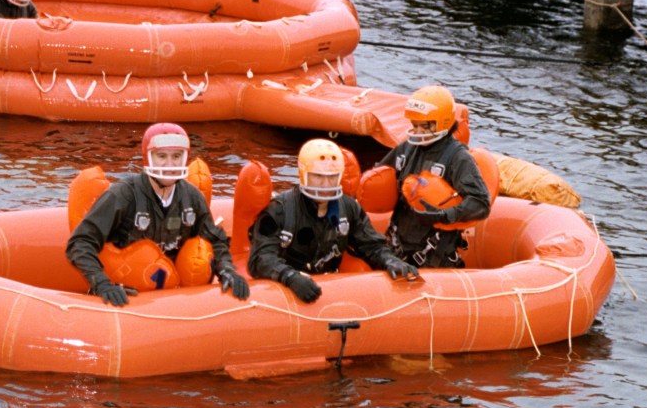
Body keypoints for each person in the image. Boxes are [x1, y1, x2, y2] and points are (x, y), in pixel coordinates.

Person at [67, 123, 249, 306]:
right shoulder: (123, 195)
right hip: (127, 291)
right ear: (148, 157)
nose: (170, 164)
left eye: (176, 156)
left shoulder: (192, 197)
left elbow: (215, 240)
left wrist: (227, 270)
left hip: (175, 295)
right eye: (162, 156)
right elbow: (80, 242)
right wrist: (102, 284)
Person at [247, 138, 419, 304]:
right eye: (318, 177)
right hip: (287, 286)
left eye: (331, 177)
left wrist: (390, 260)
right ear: (303, 175)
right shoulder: (278, 210)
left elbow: (371, 245)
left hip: (331, 284)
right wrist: (290, 277)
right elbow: (261, 258)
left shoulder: (349, 208)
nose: (325, 184)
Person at [375, 85, 491, 268]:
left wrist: (444, 215)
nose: (419, 132)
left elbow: (481, 203)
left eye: (425, 126)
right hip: (397, 247)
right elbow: (379, 176)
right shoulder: (406, 149)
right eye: (415, 125)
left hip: (435, 257)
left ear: (442, 122)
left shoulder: (458, 158)